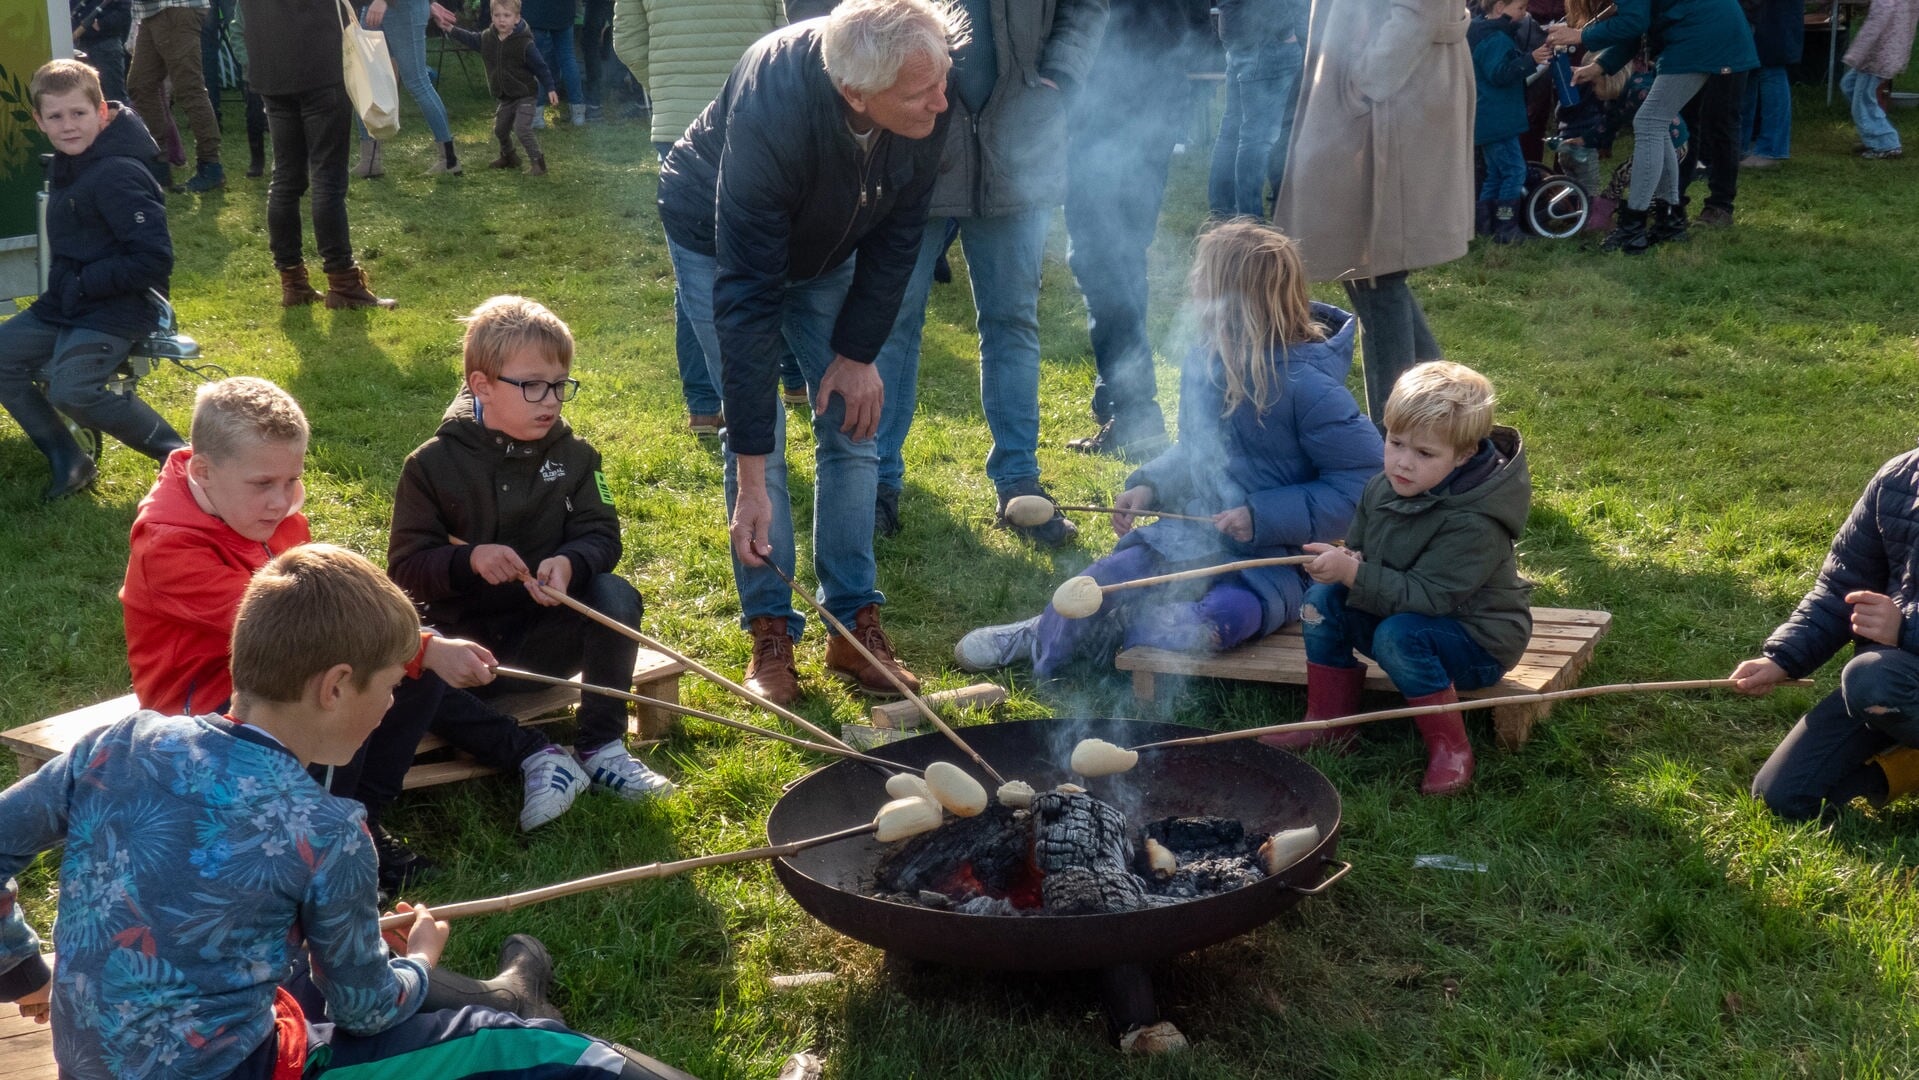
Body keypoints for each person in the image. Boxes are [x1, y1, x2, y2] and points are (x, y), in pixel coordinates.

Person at [2, 543, 700, 1080]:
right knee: (553, 1056)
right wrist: (420, 965)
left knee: (306, 977)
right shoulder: (327, 829)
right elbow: (367, 1007)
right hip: (240, 1069)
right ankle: (522, 1016)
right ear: (336, 687)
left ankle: (508, 993)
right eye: (394, 684)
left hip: (91, 1066)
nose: (395, 704)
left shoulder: (122, 743)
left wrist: (23, 969)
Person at [120, 377, 590, 874]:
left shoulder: (258, 510)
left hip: (275, 675)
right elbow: (298, 630)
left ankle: (361, 823)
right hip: (205, 714)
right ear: (204, 471)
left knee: (402, 664)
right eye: (264, 484)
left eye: (292, 481)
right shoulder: (169, 547)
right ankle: (326, 849)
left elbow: (328, 607)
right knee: (336, 685)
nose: (282, 502)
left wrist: (420, 649)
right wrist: (420, 649)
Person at [656, 0, 960, 704]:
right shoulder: (775, 108)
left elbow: (898, 235)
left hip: (831, 242)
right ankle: (771, 632)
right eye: (922, 94)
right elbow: (748, 302)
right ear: (856, 91)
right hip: (718, 242)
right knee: (752, 425)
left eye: (941, 81)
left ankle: (854, 627)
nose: (943, 102)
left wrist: (857, 355)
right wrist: (753, 480)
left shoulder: (927, 81)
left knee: (855, 418)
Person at [955, 222, 1381, 679]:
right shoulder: (1206, 360)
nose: (1194, 293)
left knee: (1212, 621)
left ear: (1238, 304)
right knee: (1094, 587)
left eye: (1204, 285)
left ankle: (1116, 631)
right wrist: (1151, 485)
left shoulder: (1310, 388)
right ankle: (1046, 630)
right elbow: (1197, 450)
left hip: (1276, 561)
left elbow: (1362, 482)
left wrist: (1263, 515)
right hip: (1188, 537)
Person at [389, 296, 674, 800]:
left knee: (615, 594)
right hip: (467, 657)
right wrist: (468, 560)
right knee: (397, 663)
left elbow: (603, 535)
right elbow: (405, 569)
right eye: (533, 386)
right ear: (482, 386)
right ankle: (533, 755)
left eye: (561, 386)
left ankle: (601, 747)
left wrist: (569, 563)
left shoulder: (579, 457)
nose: (551, 400)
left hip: (548, 644)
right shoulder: (430, 466)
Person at [869, 0, 1108, 548]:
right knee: (891, 322)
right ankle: (874, 483)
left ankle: (1019, 483)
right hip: (912, 140)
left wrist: (1060, 73)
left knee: (1012, 321)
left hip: (1020, 138)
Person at [1272, 362, 1531, 797]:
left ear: (1464, 455)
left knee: (1397, 634)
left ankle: (1451, 749)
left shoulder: (1475, 521)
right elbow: (1361, 551)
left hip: (1475, 641)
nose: (1403, 463)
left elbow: (1429, 597)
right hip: (1404, 615)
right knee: (1322, 599)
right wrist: (1345, 559)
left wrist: (1354, 571)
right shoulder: (1383, 486)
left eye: (1425, 454)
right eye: (1395, 443)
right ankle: (1328, 723)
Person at [1275, 0, 1473, 428]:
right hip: (1370, 101)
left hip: (1388, 107)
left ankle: (1401, 434)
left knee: (1373, 269)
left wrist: (1367, 82)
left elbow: (1417, 12)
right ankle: (1440, 417)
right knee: (1370, 273)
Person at [0, 60, 185, 502]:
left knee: (73, 387)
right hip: (70, 302)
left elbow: (154, 260)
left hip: (119, 307)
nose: (68, 126)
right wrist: (73, 288)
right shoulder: (69, 164)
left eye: (79, 114)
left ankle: (181, 458)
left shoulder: (118, 171)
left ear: (102, 113)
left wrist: (82, 282)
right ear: (40, 121)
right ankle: (68, 457)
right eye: (56, 117)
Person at [609, 0, 787, 434]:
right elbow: (781, 35)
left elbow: (627, 41)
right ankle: (795, 381)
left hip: (679, 124)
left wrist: (669, 88)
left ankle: (705, 404)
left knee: (692, 269)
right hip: (754, 114)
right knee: (769, 251)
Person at [1060, 0, 1211, 463]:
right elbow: (1198, 21)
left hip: (1106, 102)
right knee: (1122, 258)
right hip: (1156, 95)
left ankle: (1135, 415)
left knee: (1101, 260)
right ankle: (1120, 402)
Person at [1737, 447, 1919, 820]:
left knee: (1873, 679)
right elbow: (1841, 587)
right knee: (1782, 796)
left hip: (1888, 675)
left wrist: (1905, 630)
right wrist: (1782, 658)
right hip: (1903, 679)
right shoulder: (1898, 478)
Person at [1545, 0, 1757, 251]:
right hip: (1709, 34)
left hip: (1704, 38)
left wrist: (1581, 35)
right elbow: (1637, 26)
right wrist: (1599, 67)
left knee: (1649, 122)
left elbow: (1634, 22)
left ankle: (1633, 228)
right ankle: (1669, 220)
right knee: (1657, 121)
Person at [238, 0, 398, 307]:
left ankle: (293, 281)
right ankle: (343, 282)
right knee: (326, 179)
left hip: (270, 66)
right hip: (318, 63)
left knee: (286, 178)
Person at [1207, 0, 1308, 218]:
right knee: (1257, 137)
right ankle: (1249, 221)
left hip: (1242, 36)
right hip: (1268, 39)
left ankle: (1223, 212)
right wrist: (1285, 31)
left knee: (1233, 131)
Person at [441, 0, 561, 176]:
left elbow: (540, 66)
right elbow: (471, 39)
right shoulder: (488, 38)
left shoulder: (524, 43)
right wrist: (451, 29)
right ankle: (509, 156)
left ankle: (538, 163)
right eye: (497, 15)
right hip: (505, 96)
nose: (501, 20)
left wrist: (550, 87)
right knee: (500, 129)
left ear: (517, 18)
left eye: (507, 16)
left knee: (522, 128)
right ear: (491, 16)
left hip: (525, 94)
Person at [353, 0, 465, 176]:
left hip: (402, 7)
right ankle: (370, 160)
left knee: (417, 82)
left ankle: (449, 160)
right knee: (367, 82)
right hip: (374, 6)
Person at [127, 0, 223, 191]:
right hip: (152, 12)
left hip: (174, 9)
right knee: (140, 85)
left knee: (189, 88)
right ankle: (159, 163)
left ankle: (210, 165)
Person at [1471, 0, 1537, 244]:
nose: (1525, 13)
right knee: (1514, 172)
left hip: (1488, 119)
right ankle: (1506, 228)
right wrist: (1531, 60)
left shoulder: (1480, 31)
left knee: (1495, 174)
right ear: (1500, 7)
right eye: (1520, 7)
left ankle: (1484, 227)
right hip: (1498, 119)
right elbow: (1500, 74)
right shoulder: (1495, 38)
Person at [1837, 0, 1918, 161]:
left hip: (1879, 54)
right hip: (1885, 50)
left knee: (1863, 100)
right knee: (1849, 85)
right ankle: (1873, 136)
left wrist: (1857, 52)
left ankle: (1886, 144)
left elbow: (1878, 21)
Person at [1739, 0, 1803, 170]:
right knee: (1746, 75)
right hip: (1758, 14)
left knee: (1770, 73)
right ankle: (1738, 146)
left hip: (1769, 17)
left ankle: (1770, 149)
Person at [525, 0, 586, 124]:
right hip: (563, 11)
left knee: (536, 61)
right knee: (568, 58)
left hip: (535, 11)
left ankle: (536, 116)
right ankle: (578, 113)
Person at [70, 0, 132, 105]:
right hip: (80, 46)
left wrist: (101, 24)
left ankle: (122, 120)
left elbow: (125, 14)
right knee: (87, 99)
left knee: (115, 99)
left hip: (106, 46)